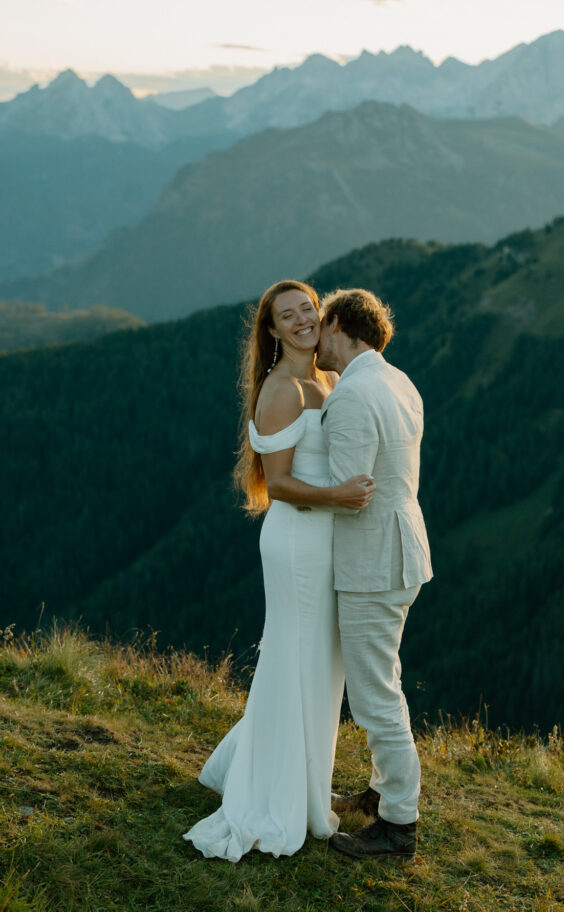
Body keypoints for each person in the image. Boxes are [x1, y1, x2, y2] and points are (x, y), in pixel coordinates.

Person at [183, 279, 375, 862]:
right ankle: (277, 793)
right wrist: (341, 496)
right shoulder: (281, 389)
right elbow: (279, 484)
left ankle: (309, 780)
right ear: (270, 330)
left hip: (328, 540)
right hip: (296, 541)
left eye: (308, 310)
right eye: (286, 316)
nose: (301, 321)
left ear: (323, 315)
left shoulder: (332, 379)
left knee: (321, 663)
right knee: (294, 658)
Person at [316, 288, 433, 860]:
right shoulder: (398, 380)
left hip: (372, 563)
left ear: (338, 324)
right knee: (385, 677)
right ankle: (383, 791)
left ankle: (399, 826)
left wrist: (293, 491)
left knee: (376, 696)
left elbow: (349, 490)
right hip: (403, 549)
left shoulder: (355, 393)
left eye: (320, 325)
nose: (314, 337)